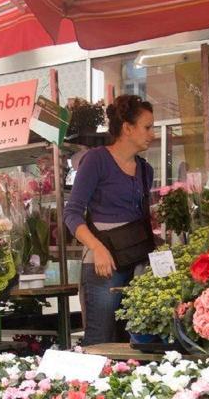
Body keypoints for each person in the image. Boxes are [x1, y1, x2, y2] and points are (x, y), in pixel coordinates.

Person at [64, 94, 155, 344]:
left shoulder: (146, 170)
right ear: (127, 128)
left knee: (136, 339)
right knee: (100, 341)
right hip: (103, 265)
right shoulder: (96, 160)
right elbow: (71, 214)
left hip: (136, 263)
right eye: (147, 127)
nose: (152, 134)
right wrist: (97, 248)